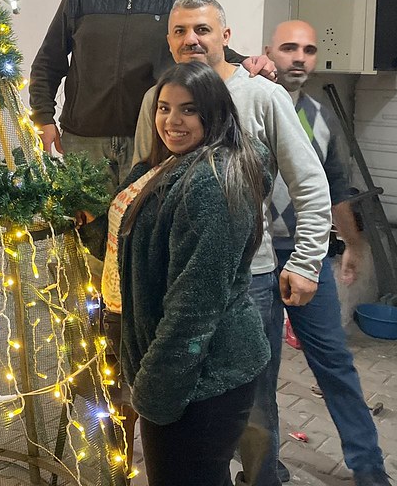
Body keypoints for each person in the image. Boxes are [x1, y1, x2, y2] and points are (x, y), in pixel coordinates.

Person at [132, 0, 333, 484]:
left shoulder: (263, 94)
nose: (191, 39)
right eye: (180, 31)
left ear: (225, 36)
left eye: (202, 29)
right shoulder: (159, 96)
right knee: (195, 413)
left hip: (252, 277)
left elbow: (309, 181)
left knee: (252, 407)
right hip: (176, 277)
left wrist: (307, 261)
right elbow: (144, 177)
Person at [29, 0, 270, 189]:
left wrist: (243, 62)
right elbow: (49, 60)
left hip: (154, 136)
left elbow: (199, 43)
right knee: (84, 229)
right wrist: (43, 117)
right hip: (85, 140)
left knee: (142, 226)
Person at [117, 61, 271, 486]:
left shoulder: (211, 184)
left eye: (188, 110)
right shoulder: (167, 164)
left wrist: (155, 390)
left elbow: (195, 305)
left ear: (214, 113)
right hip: (183, 372)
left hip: (202, 376)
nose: (172, 121)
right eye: (164, 108)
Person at [257, 20, 389, 486]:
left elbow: (335, 190)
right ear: (267, 51)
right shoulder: (246, 103)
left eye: (308, 50)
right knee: (260, 371)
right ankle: (262, 470)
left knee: (334, 361)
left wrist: (352, 243)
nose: (299, 57)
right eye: (289, 47)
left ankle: (370, 470)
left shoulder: (321, 117)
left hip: (305, 256)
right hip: (254, 263)